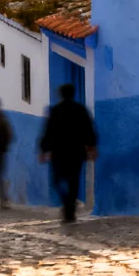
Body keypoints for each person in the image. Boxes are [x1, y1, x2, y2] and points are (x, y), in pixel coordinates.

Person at [38, 84, 98, 223]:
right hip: (76, 152)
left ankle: (68, 206)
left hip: (59, 153)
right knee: (73, 181)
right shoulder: (80, 110)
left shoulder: (55, 111)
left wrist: (43, 150)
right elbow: (88, 129)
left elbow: (48, 131)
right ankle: (69, 207)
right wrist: (92, 147)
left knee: (57, 181)